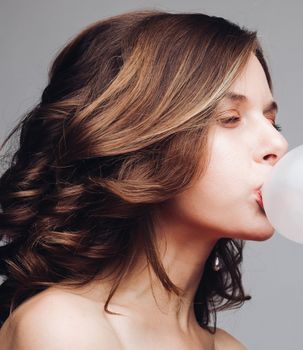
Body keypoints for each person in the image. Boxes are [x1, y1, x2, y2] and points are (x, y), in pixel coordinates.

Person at [0, 9, 288, 349]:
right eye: (230, 118)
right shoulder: (63, 328)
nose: (278, 144)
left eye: (272, 122)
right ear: (144, 141)